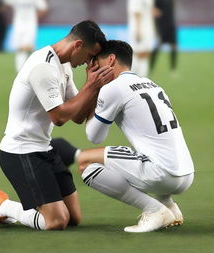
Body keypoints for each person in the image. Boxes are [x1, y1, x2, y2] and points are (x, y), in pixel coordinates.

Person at [0, 20, 114, 231]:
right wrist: (91, 86)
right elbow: (59, 117)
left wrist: (96, 86)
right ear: (78, 45)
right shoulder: (43, 66)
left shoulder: (63, 65)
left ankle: (29, 207)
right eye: (90, 56)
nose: (89, 63)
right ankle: (4, 206)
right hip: (21, 151)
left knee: (73, 218)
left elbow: (78, 115)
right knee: (56, 222)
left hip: (44, 148)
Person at [77, 40, 194, 233]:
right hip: (186, 174)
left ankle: (154, 210)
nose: (93, 67)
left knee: (85, 164)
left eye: (96, 61)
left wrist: (93, 87)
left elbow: (94, 136)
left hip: (162, 174)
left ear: (111, 60)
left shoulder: (113, 88)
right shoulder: (152, 84)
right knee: (146, 152)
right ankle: (168, 204)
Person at [4, 0, 49, 72]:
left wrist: (34, 18)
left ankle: (29, 66)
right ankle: (20, 69)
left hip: (30, 24)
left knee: (28, 46)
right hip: (18, 23)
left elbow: (43, 8)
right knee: (19, 47)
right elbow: (6, 4)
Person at [127, 0, 156, 77]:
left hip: (147, 30)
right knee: (137, 54)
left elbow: (151, 11)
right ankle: (133, 77)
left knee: (144, 55)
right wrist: (138, 30)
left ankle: (141, 78)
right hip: (140, 30)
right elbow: (136, 13)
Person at [150, 0, 178, 74]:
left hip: (171, 26)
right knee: (157, 47)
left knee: (174, 47)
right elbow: (154, 11)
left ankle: (173, 69)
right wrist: (156, 27)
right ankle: (151, 68)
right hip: (162, 27)